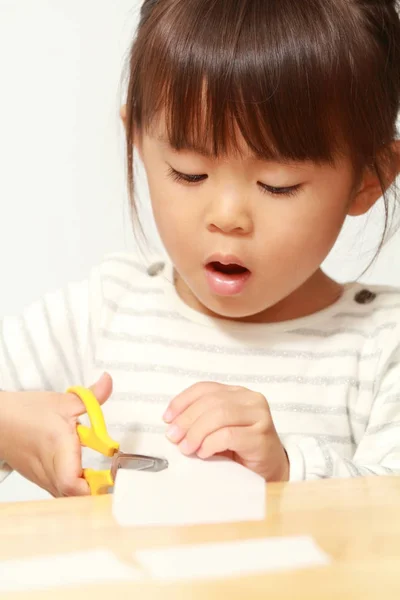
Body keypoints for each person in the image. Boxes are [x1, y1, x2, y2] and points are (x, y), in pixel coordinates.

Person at [1, 0, 400, 498]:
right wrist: (8, 425)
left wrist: (288, 471)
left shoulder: (384, 346)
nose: (227, 216)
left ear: (369, 178)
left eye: (277, 184)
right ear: (139, 145)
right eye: (189, 173)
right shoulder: (105, 310)